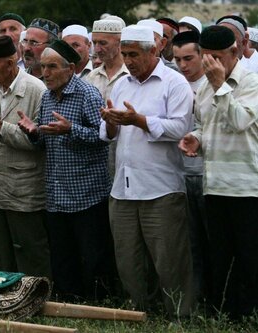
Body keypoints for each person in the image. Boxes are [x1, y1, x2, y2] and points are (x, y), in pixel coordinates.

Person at [100, 25, 194, 315]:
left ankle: (180, 315)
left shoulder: (174, 83)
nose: (128, 61)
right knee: (128, 259)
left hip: (161, 187)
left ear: (153, 51)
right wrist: (112, 120)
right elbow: (109, 133)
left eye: (134, 54)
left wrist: (139, 120)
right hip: (123, 187)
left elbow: (180, 127)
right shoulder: (122, 83)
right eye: (124, 54)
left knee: (170, 260)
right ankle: (139, 313)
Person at [17, 40, 112, 301]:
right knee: (62, 253)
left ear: (70, 68)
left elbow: (103, 138)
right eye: (43, 66)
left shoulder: (88, 94)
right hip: (57, 193)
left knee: (92, 254)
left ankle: (97, 301)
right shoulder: (47, 96)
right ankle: (69, 299)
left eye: (52, 67)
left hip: (86, 192)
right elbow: (44, 139)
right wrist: (34, 132)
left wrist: (72, 129)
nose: (45, 73)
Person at [179, 25, 258, 319]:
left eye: (217, 57)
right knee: (219, 255)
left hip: (246, 186)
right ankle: (221, 312)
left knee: (248, 256)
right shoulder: (204, 87)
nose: (211, 64)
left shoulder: (251, 82)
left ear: (234, 52)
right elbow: (205, 125)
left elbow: (239, 121)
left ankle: (246, 315)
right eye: (206, 57)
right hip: (213, 184)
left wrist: (220, 85)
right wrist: (196, 139)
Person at [0, 35, 50, 277]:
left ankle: (39, 297)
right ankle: (7, 298)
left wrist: (3, 130)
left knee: (30, 248)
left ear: (11, 63)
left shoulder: (35, 90)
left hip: (25, 186)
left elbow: (41, 140)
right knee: (0, 250)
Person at [172, 30, 210, 304]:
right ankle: (196, 299)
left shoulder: (212, 85)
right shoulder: (172, 83)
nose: (183, 66)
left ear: (202, 55)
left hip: (208, 176)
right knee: (189, 244)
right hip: (179, 174)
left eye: (188, 58)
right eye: (177, 59)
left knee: (212, 242)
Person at [85, 17, 129, 181]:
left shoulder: (132, 75)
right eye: (94, 43)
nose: (97, 49)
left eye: (103, 43)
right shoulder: (91, 77)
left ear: (119, 42)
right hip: (96, 162)